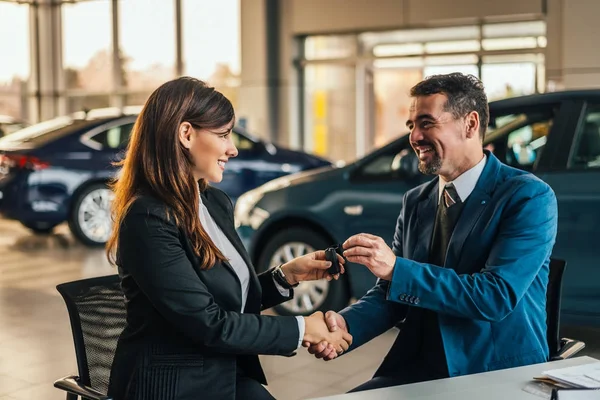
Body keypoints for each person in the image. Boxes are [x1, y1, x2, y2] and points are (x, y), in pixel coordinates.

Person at [306, 72, 558, 392]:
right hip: (421, 366)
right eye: (412, 125)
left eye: (427, 122)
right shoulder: (417, 201)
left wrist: (397, 268)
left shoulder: (528, 197)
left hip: (493, 372)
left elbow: (495, 296)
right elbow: (391, 293)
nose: (415, 137)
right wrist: (345, 324)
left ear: (470, 124)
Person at [106, 77, 352, 400]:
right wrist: (303, 329)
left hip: (220, 373)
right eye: (223, 135)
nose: (232, 148)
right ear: (186, 134)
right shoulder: (148, 219)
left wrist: (285, 276)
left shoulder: (214, 203)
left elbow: (224, 297)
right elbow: (211, 323)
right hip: (174, 386)